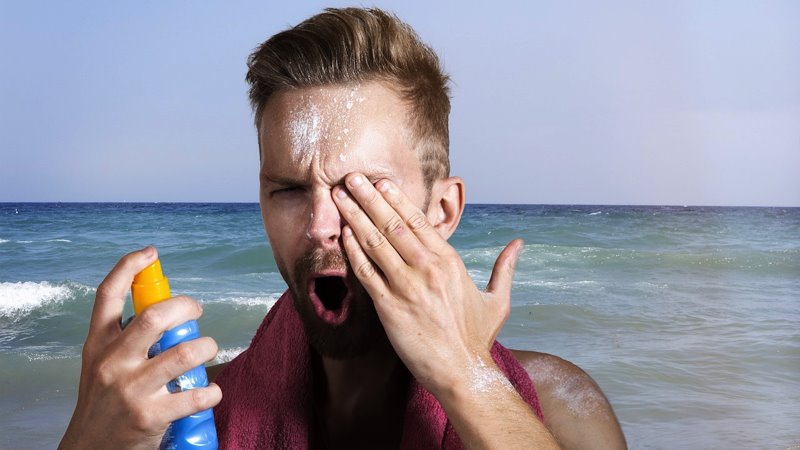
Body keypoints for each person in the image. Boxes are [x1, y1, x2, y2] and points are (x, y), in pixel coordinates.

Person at [60, 7, 626, 449]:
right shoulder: (190, 419)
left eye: (361, 188)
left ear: (443, 211)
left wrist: (468, 375)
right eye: (287, 189)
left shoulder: (560, 408)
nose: (320, 225)